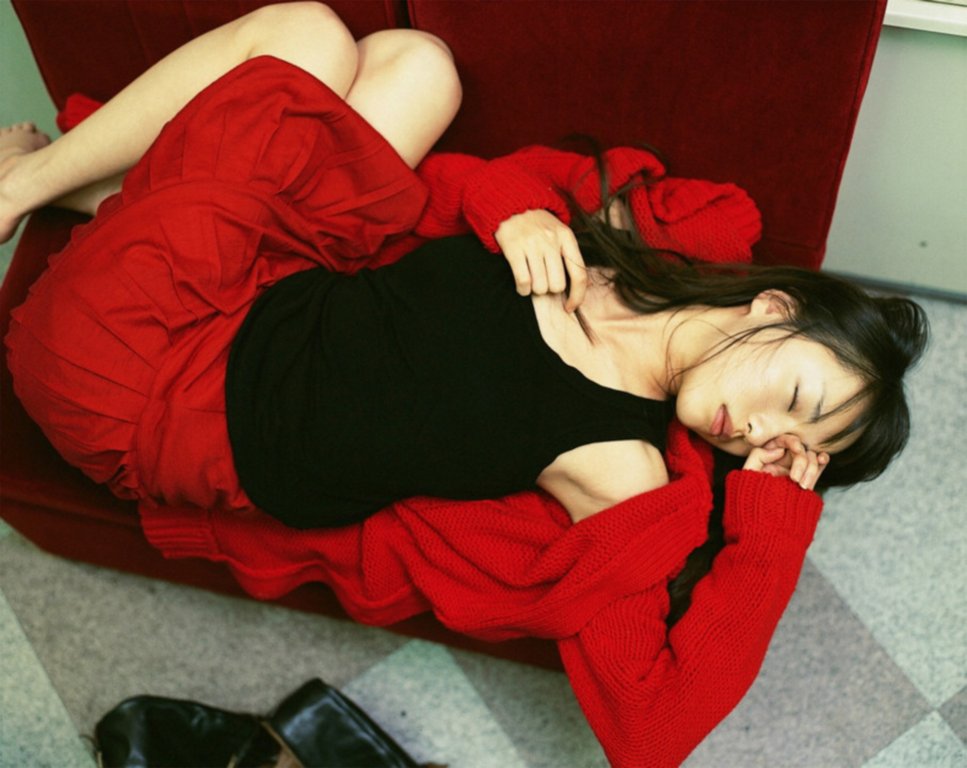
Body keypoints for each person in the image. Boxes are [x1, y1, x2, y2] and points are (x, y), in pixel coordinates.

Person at [0, 4, 928, 765]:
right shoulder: (613, 245)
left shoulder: (621, 472)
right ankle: (99, 198)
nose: (754, 431)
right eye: (792, 399)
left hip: (132, 388)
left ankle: (25, 185)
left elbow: (651, 736)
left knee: (304, 40)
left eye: (785, 446)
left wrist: (772, 530)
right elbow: (452, 191)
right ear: (773, 308)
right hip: (260, 285)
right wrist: (512, 210)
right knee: (416, 64)